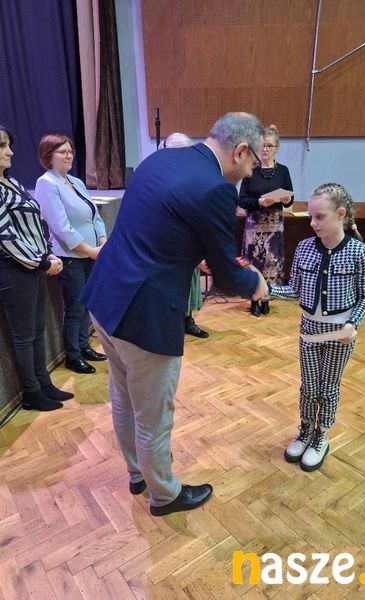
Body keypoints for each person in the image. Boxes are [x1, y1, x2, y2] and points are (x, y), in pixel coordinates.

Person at [81, 112, 268, 516]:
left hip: (105, 296)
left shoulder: (161, 158)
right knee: (153, 415)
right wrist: (255, 283)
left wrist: (194, 255)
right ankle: (164, 494)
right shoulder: (217, 189)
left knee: (122, 396)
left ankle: (137, 473)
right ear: (240, 150)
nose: (252, 171)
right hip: (144, 316)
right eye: (255, 161)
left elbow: (160, 228)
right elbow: (227, 274)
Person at [270, 183, 365, 472]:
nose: (313, 223)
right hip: (309, 332)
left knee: (328, 388)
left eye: (320, 217)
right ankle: (305, 430)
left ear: (340, 214)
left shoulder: (359, 252)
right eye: (311, 217)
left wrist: (353, 323)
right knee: (309, 386)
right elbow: (294, 290)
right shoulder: (304, 248)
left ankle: (322, 435)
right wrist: (267, 290)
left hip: (340, 335)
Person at [0, 125, 73, 411]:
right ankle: (31, 392)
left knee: (37, 329)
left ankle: (43, 382)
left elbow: (34, 224)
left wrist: (48, 255)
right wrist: (42, 262)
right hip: (13, 270)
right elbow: (6, 237)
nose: (10, 152)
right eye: (2, 146)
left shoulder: (11, 182)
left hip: (32, 267)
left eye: (9, 145)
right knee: (23, 336)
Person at [35, 134, 108, 375]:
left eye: (70, 151)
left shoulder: (75, 181)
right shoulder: (47, 183)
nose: (69, 156)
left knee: (87, 304)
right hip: (70, 256)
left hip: (92, 254)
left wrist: (102, 241)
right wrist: (90, 250)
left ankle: (84, 346)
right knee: (75, 308)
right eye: (63, 152)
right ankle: (73, 355)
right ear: (49, 156)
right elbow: (61, 227)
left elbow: (94, 215)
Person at [238, 124, 293, 318]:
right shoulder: (250, 169)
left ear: (276, 148)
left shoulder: (283, 171)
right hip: (254, 225)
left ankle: (267, 299)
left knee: (272, 263)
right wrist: (259, 202)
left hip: (275, 226)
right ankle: (254, 299)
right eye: (262, 145)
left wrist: (286, 200)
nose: (265, 149)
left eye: (270, 146)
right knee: (254, 263)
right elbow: (242, 200)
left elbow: (289, 199)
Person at [160, 132, 209, 339]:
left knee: (191, 282)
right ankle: (170, 324)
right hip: (169, 242)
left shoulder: (193, 176)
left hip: (190, 239)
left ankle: (188, 319)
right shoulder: (160, 177)